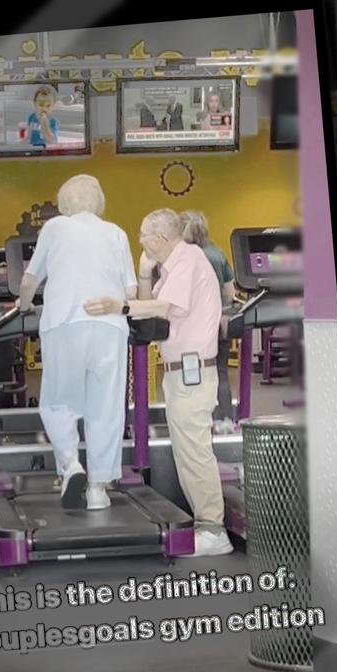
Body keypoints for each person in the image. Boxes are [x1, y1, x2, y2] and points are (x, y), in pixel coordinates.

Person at [84, 209, 231, 556]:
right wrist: (144, 273)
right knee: (187, 452)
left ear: (162, 237)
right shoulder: (174, 265)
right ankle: (207, 525)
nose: (140, 241)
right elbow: (152, 305)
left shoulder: (188, 260)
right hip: (181, 371)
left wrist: (119, 305)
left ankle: (213, 530)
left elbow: (165, 307)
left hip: (192, 371)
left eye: (143, 235)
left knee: (195, 453)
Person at [14, 175, 136, 510]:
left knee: (58, 400)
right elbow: (130, 292)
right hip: (110, 327)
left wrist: (23, 305)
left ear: (65, 202)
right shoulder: (116, 232)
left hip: (64, 322)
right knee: (106, 407)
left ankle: (71, 464)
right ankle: (98, 489)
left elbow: (30, 278)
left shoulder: (54, 227)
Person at [180, 210, 237, 433]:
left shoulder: (183, 257)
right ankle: (225, 420)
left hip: (192, 325)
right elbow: (230, 293)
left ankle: (198, 420)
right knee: (220, 370)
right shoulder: (217, 253)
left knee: (193, 372)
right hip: (218, 322)